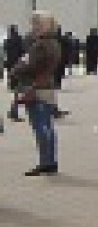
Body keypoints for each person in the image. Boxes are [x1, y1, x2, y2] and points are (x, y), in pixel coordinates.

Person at [13, 11, 65, 175]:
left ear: (45, 26)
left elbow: (29, 65)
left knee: (40, 126)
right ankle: (51, 161)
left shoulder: (40, 46)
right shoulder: (54, 44)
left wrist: (17, 68)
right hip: (47, 87)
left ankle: (45, 162)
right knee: (48, 126)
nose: (33, 28)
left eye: (36, 24)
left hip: (36, 88)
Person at [3, 23, 24, 122]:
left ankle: (13, 110)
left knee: (15, 89)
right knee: (18, 90)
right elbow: (23, 53)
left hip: (10, 67)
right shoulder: (20, 40)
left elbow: (5, 53)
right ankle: (14, 111)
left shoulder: (7, 41)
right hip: (18, 67)